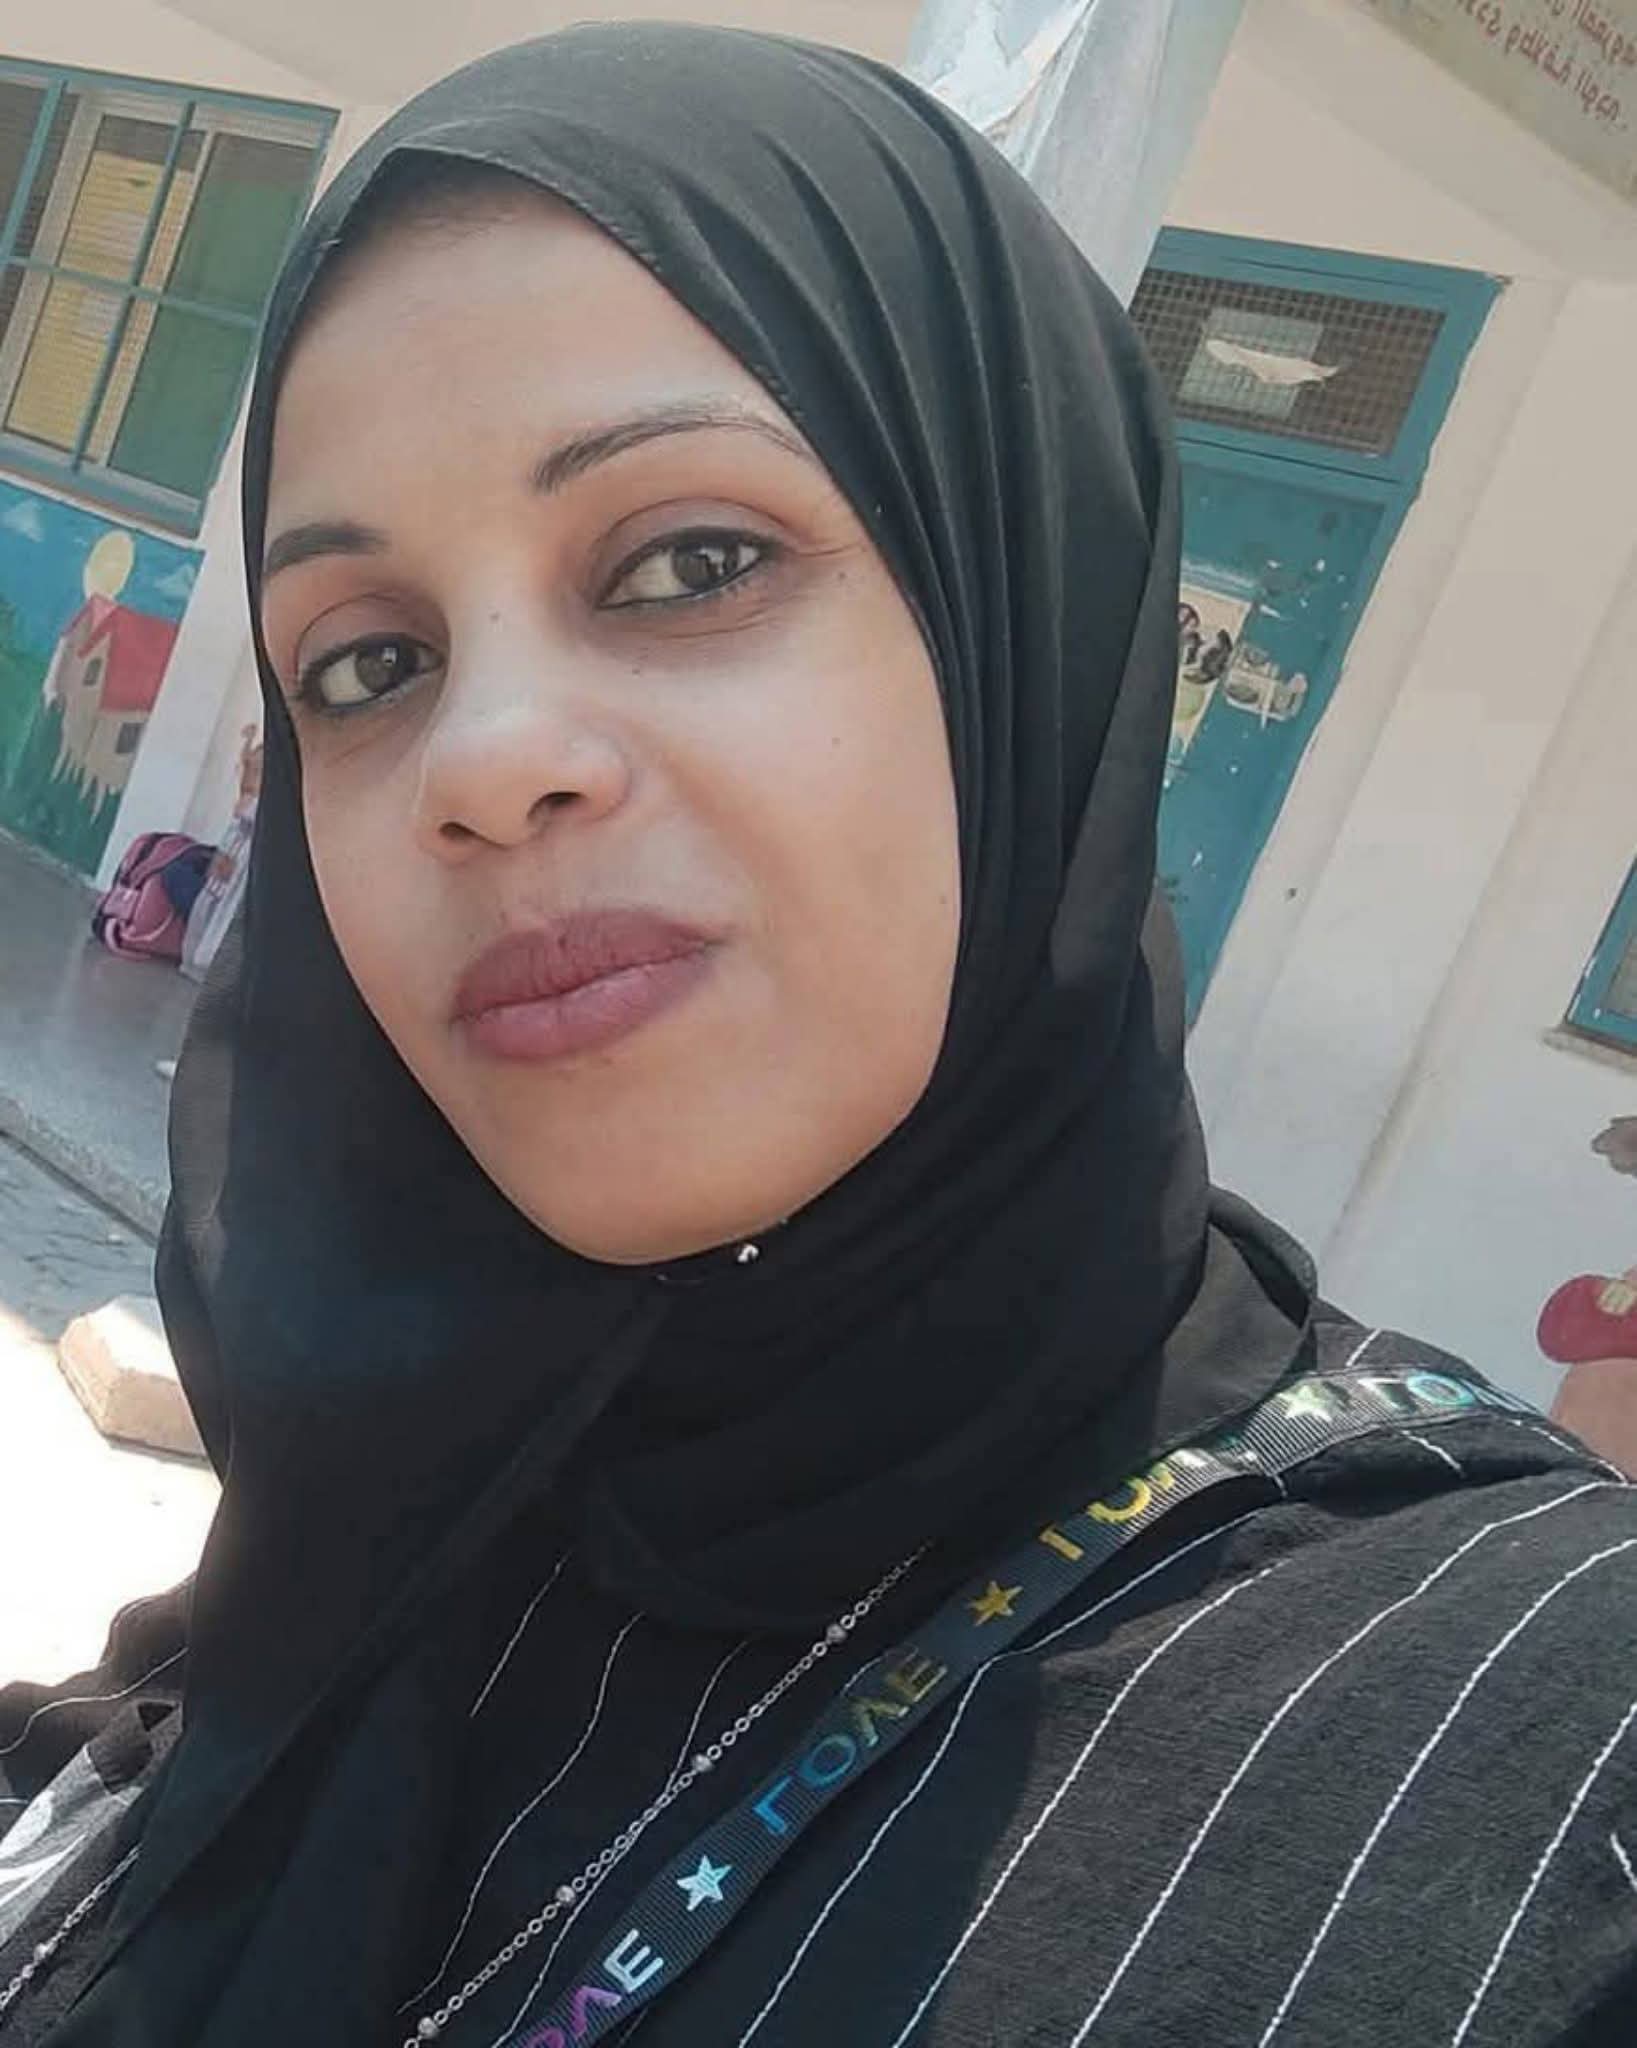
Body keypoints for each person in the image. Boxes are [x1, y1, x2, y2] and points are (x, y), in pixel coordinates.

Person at [3, 27, 1634, 2048]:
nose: (482, 762)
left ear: (1027, 630)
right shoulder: (382, 1509)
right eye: (368, 663)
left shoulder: (1533, 1754)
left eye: (690, 563)